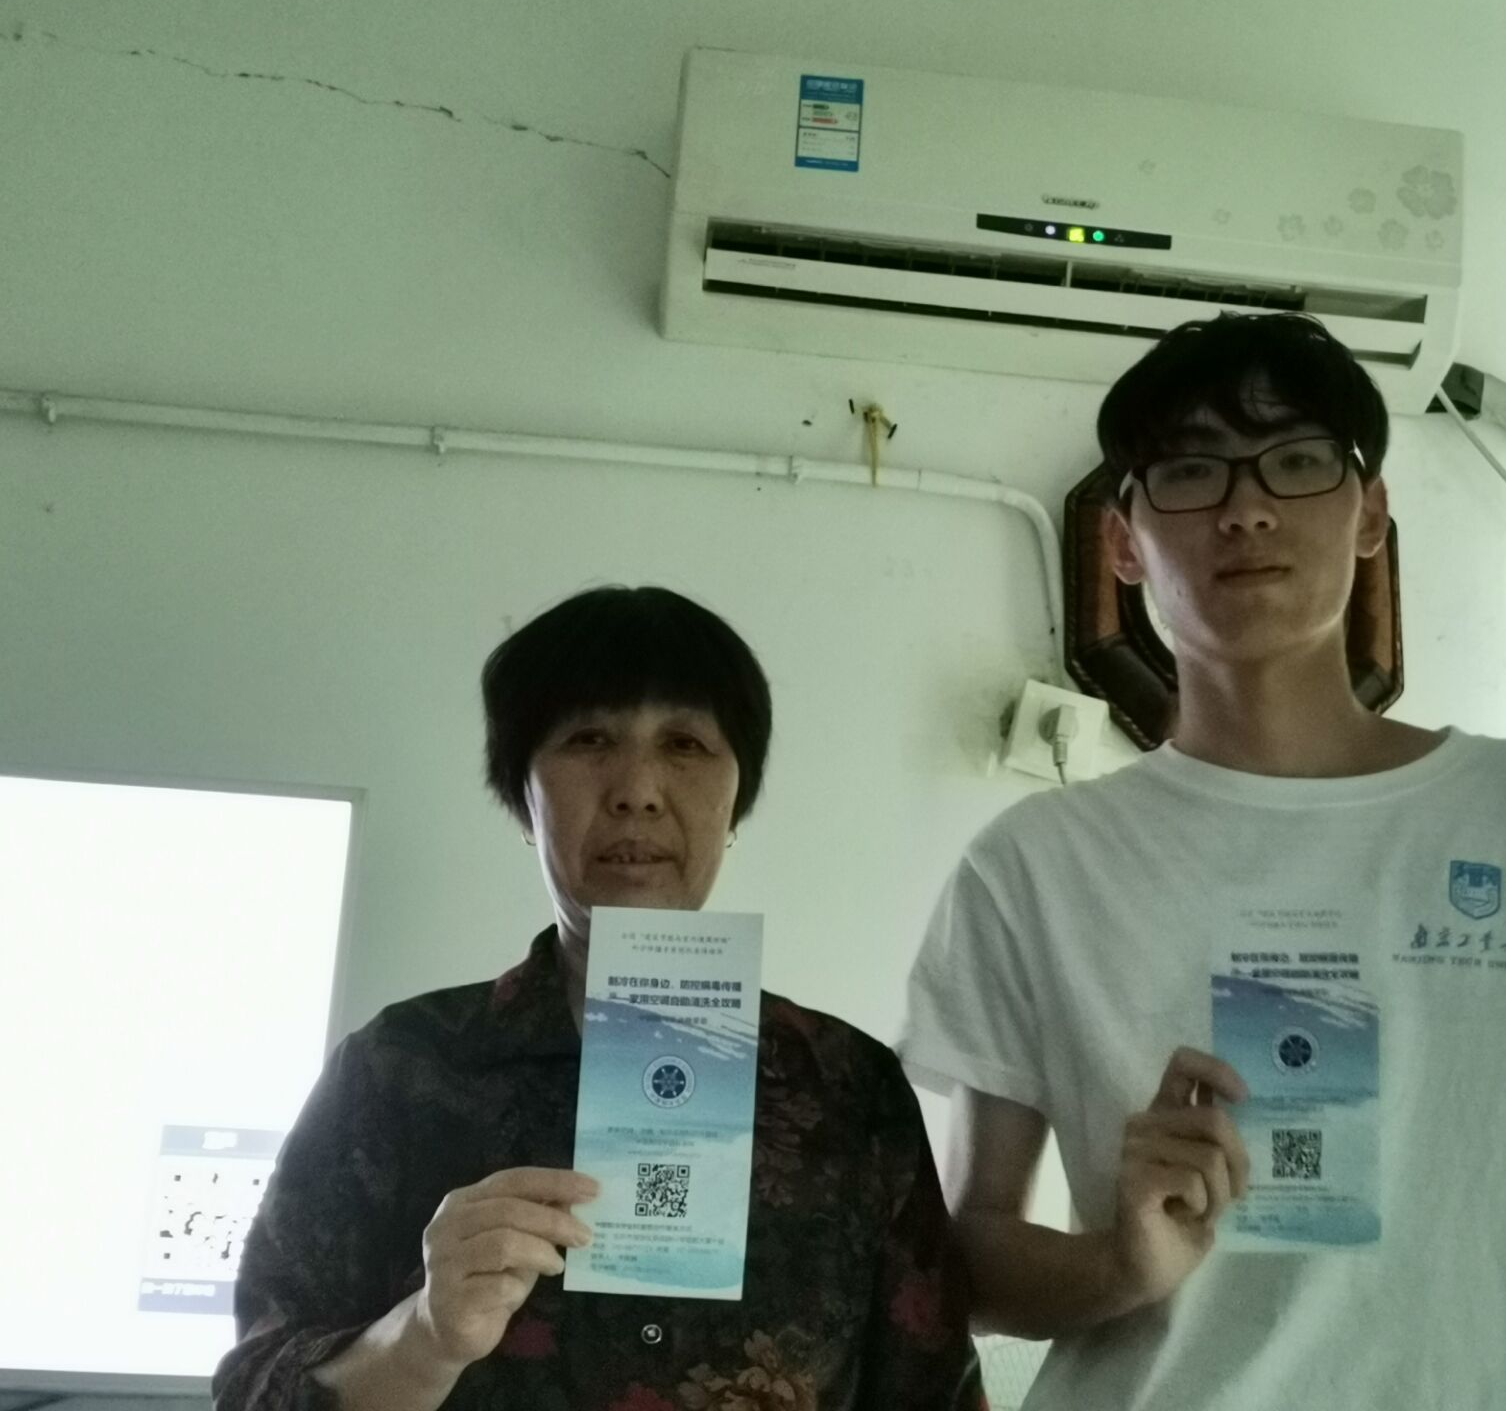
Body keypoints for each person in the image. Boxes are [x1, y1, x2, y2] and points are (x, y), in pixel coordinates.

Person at [900, 313, 1506, 1411]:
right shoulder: (1035, 866)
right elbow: (969, 1252)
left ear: (1370, 512)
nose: (1246, 509)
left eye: (1295, 462)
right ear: (1123, 543)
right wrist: (1118, 1265)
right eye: (1191, 471)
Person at [217, 585, 983, 1411]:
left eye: (685, 744)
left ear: (736, 801)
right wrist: (423, 1337)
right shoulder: (398, 1069)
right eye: (588, 739)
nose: (638, 789)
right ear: (523, 797)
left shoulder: (851, 1091)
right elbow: (256, 1392)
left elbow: (932, 1393)